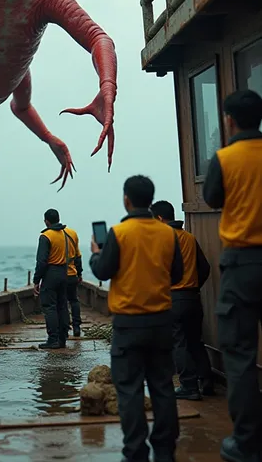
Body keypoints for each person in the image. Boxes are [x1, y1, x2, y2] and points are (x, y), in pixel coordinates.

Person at [90, 175, 183, 462]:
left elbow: (103, 271)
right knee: (163, 387)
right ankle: (165, 451)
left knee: (129, 391)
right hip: (161, 322)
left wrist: (96, 254)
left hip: (129, 324)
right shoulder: (168, 234)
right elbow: (177, 275)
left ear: (126, 199)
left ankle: (136, 452)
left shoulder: (119, 233)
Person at [203, 89, 262, 462]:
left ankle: (247, 443)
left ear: (228, 119)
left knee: (239, 355)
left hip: (241, 264)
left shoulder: (224, 159)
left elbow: (212, 198)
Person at [151, 200, 214, 400]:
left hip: (173, 298)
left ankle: (189, 386)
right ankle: (207, 382)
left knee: (179, 342)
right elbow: (204, 268)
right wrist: (193, 285)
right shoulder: (189, 238)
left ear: (160, 218)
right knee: (196, 341)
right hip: (193, 298)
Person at [33, 208, 73, 349]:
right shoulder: (65, 234)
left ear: (46, 221)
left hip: (51, 273)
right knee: (62, 306)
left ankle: (53, 339)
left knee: (49, 307)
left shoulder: (46, 236)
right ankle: (62, 338)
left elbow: (42, 261)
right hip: (64, 272)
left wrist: (36, 280)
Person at [65, 226, 83, 337]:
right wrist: (79, 273)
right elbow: (78, 256)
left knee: (62, 303)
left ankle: (65, 328)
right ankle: (77, 327)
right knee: (74, 300)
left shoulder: (51, 235)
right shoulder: (72, 233)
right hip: (72, 275)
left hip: (58, 276)